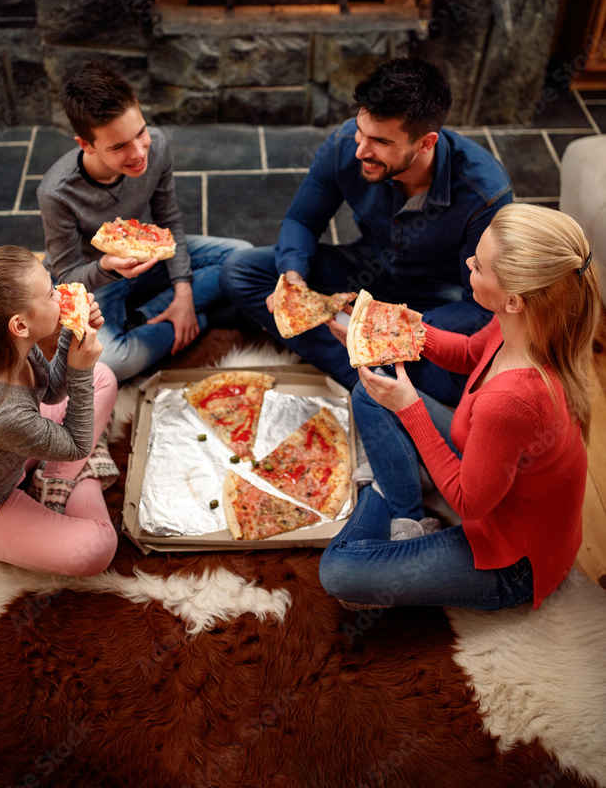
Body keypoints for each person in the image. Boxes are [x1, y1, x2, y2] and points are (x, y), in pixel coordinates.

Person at [319, 204, 601, 612]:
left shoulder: (512, 400)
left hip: (512, 560)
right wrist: (391, 329)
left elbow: (469, 504)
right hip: (485, 461)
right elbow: (470, 352)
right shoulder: (528, 325)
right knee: (368, 395)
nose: (469, 261)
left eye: (480, 266)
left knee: (340, 571)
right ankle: (408, 514)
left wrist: (410, 408)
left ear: (514, 300)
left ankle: (378, 488)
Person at [219, 56, 513, 405]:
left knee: (459, 386)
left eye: (380, 142)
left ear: (425, 143)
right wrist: (293, 280)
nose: (361, 149)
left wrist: (389, 328)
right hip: (364, 271)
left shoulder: (485, 195)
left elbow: (479, 307)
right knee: (240, 272)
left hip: (434, 300)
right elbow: (301, 221)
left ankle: (362, 367)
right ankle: (367, 377)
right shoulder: (345, 144)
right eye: (360, 131)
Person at [37, 61, 252, 382]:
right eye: (119, 146)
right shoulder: (56, 193)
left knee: (245, 256)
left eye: (140, 132)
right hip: (93, 280)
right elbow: (67, 277)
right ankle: (203, 319)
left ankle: (153, 315)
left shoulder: (158, 144)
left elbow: (169, 220)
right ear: (86, 145)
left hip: (144, 257)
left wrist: (183, 294)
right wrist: (107, 266)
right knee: (112, 364)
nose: (139, 152)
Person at [0, 246, 119, 576]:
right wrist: (80, 370)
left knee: (103, 375)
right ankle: (79, 474)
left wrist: (72, 330)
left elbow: (51, 392)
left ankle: (52, 477)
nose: (61, 293)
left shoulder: (9, 347)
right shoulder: (0, 414)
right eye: (51, 292)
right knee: (98, 547)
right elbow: (77, 444)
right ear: (20, 325)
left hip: (13, 453)